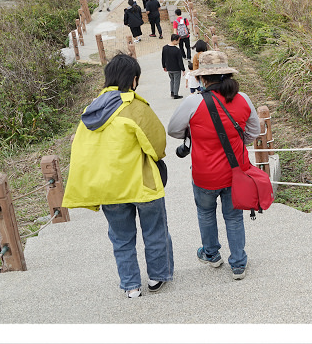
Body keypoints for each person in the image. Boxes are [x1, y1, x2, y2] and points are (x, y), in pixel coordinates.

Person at [62, 53, 173, 298]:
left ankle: (131, 285)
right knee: (155, 231)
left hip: (109, 188)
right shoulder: (134, 106)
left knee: (121, 238)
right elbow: (157, 145)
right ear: (133, 79)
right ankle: (157, 276)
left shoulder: (91, 111)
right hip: (142, 184)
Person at [167, 51, 260, 280]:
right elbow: (253, 132)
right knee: (234, 217)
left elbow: (173, 129)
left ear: (203, 78)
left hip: (205, 174)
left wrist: (195, 135)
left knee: (206, 214)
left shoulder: (192, 102)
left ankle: (212, 254)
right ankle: (238, 264)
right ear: (227, 74)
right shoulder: (243, 99)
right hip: (235, 172)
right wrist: (237, 142)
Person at [162, 34, 185, 99]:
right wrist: (183, 69)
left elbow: (163, 58)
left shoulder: (165, 48)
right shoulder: (177, 50)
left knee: (172, 80)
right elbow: (180, 61)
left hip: (169, 68)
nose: (178, 42)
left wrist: (164, 66)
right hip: (176, 68)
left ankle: (172, 92)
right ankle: (176, 94)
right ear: (175, 40)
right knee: (176, 81)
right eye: (178, 41)